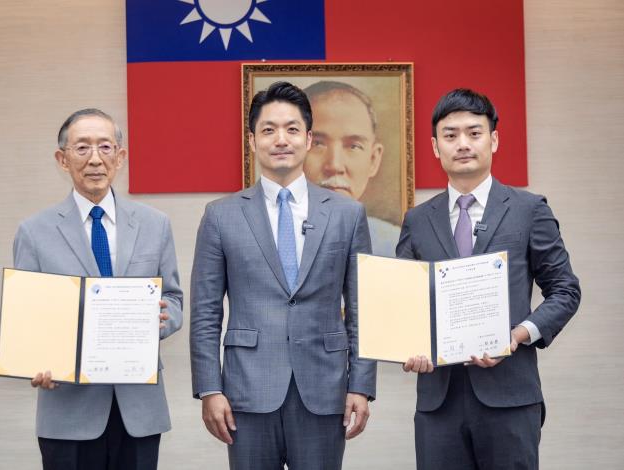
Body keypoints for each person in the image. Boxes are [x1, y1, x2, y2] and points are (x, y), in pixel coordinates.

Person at [190, 81, 377, 470]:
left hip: (324, 390)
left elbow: (364, 309)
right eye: (268, 129)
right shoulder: (221, 216)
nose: (281, 139)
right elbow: (205, 314)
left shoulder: (346, 214)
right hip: (247, 390)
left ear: (308, 140)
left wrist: (361, 383)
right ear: (252, 141)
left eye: (292, 129)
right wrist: (209, 388)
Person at [397, 89, 581, 469]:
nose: (462, 144)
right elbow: (404, 301)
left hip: (510, 397)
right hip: (438, 401)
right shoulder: (417, 220)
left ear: (494, 139)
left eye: (474, 133)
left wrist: (516, 336)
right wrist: (407, 343)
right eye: (450, 136)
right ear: (435, 147)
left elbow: (565, 290)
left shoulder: (529, 209)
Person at [13, 108, 183, 470]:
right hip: (68, 411)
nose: (95, 159)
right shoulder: (34, 231)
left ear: (120, 157)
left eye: (105, 147)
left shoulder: (155, 225)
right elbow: (25, 317)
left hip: (138, 408)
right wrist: (34, 360)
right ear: (62, 159)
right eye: (82, 148)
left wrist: (161, 320)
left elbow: (174, 299)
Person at [303, 80, 401, 257]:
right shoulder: (265, 242)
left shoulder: (396, 247)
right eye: (317, 144)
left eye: (353, 146)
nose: (334, 165)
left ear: (373, 159)